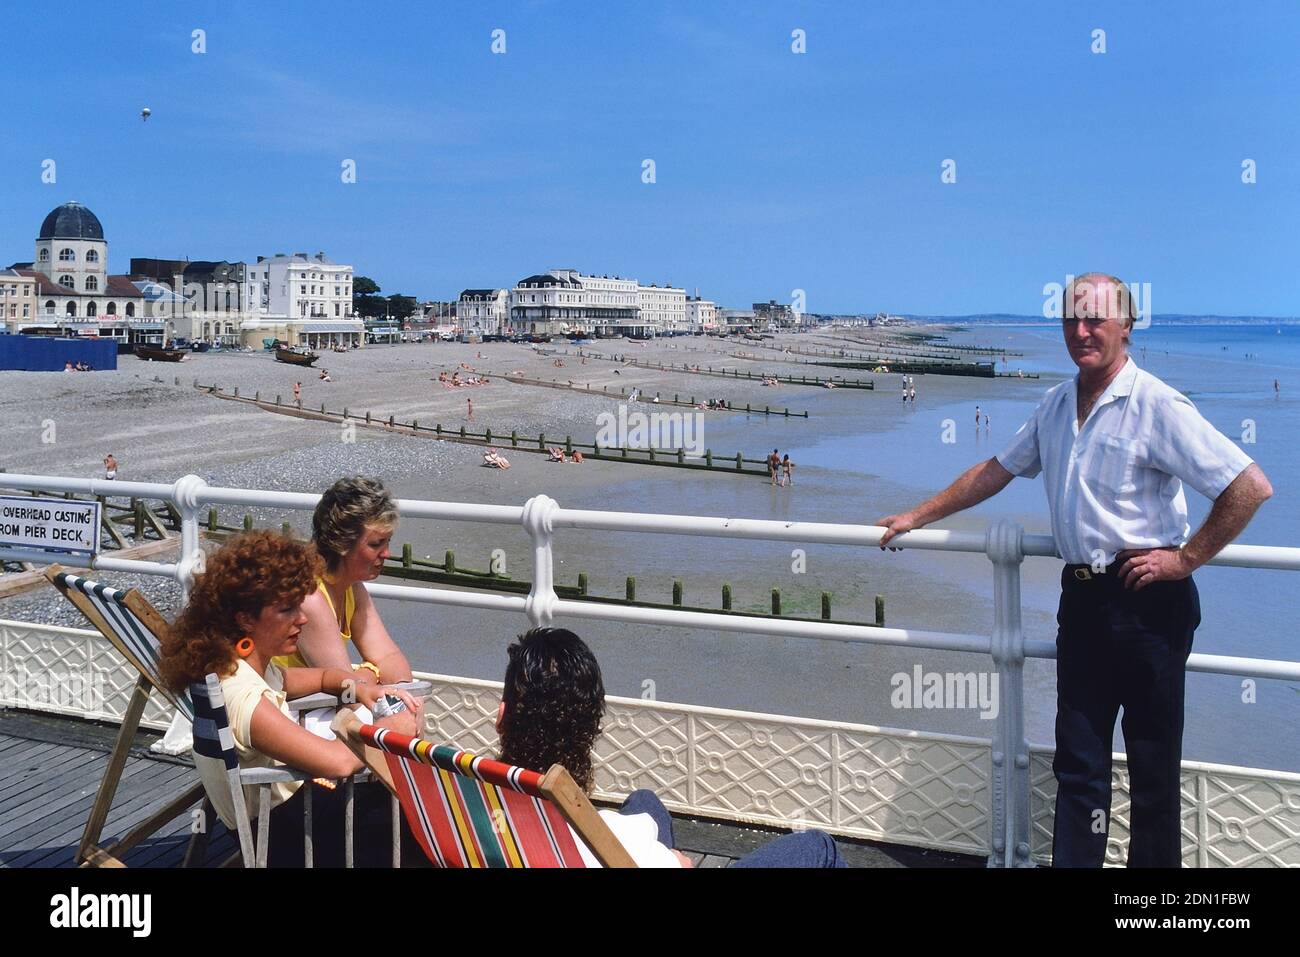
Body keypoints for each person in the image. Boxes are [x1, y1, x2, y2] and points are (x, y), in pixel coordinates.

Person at [875, 274, 1273, 868]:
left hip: (1149, 604)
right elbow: (998, 469)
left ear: (1126, 326)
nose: (1081, 331)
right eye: (1071, 319)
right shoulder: (1057, 404)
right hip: (1083, 603)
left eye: (1095, 319)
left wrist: (1186, 558)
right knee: (1078, 767)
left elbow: (1249, 486)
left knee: (1153, 774)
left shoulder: (1156, 405)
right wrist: (917, 515)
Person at [158, 531, 424, 867]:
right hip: (287, 838)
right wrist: (388, 731)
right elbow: (338, 763)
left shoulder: (236, 669)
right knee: (418, 823)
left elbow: (320, 678)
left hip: (290, 817)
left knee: (409, 809)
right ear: (245, 619)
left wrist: (357, 687)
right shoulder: (243, 697)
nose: (301, 618)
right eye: (286, 609)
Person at [495, 627, 845, 868]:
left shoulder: (470, 808)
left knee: (645, 801)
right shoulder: (605, 838)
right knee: (818, 847)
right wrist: (670, 861)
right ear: (592, 729)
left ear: (501, 716)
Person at [275, 476, 415, 686]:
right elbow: (347, 688)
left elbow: (389, 657)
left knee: (411, 704)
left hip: (319, 704)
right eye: (376, 544)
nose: (386, 553)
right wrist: (371, 671)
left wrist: (405, 693)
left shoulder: (352, 587)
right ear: (342, 543)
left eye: (387, 542)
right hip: (288, 707)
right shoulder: (310, 596)